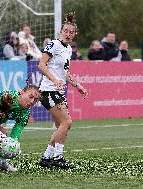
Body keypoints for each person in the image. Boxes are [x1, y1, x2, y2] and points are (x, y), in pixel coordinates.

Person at [37, 12, 88, 169]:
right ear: (61, 31)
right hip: (48, 91)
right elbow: (41, 64)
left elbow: (65, 73)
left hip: (56, 91)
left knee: (63, 125)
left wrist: (77, 85)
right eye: (65, 31)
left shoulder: (68, 50)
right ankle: (58, 158)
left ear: (74, 34)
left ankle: (46, 158)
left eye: (71, 32)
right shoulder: (54, 44)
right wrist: (55, 80)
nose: (68, 34)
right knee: (67, 122)